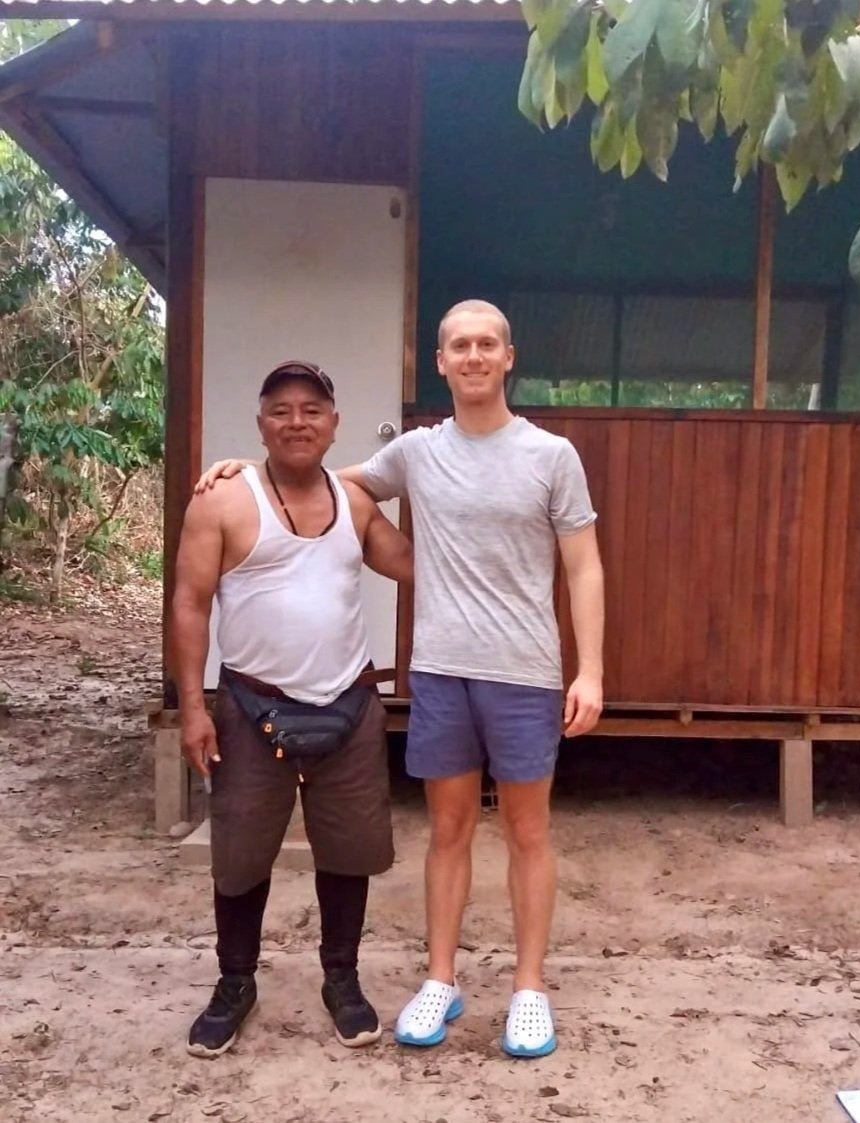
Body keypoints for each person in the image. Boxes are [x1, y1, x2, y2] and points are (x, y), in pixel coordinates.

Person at [196, 301, 605, 1058]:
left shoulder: (551, 456)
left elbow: (582, 563)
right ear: (441, 362)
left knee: (527, 831)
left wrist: (591, 670)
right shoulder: (414, 453)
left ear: (507, 356)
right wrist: (243, 473)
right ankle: (441, 978)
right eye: (459, 345)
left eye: (486, 344)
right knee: (446, 831)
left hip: (524, 670)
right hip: (442, 670)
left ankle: (528, 987)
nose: (474, 355)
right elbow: (316, 474)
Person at [172, 360, 412, 1059]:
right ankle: (234, 982)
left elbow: (413, 564)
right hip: (250, 705)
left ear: (334, 424)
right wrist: (194, 706)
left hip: (350, 703)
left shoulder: (356, 502)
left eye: (313, 409)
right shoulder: (221, 500)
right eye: (281, 409)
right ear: (260, 424)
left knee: (350, 849)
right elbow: (189, 604)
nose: (297, 420)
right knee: (240, 853)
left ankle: (341, 978)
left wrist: (475, 514)